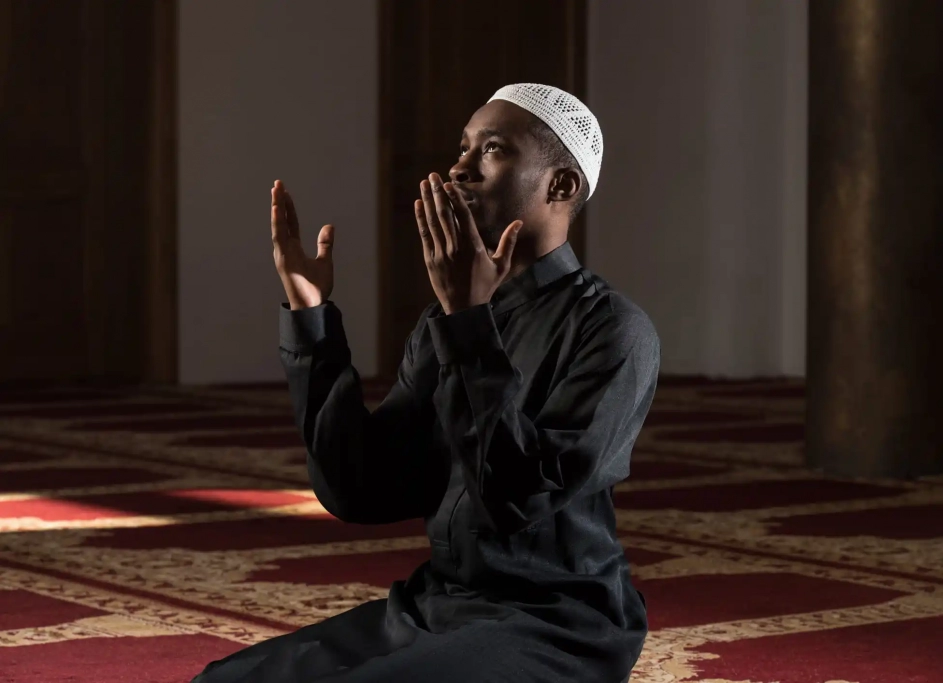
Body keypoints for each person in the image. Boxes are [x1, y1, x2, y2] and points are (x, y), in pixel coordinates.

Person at [192, 83, 661, 683]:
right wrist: (312, 321)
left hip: (557, 624)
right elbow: (362, 491)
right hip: (438, 605)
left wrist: (469, 324)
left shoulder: (613, 330)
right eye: (462, 147)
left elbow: (517, 499)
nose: (458, 168)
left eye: (491, 150)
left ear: (560, 186)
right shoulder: (444, 319)